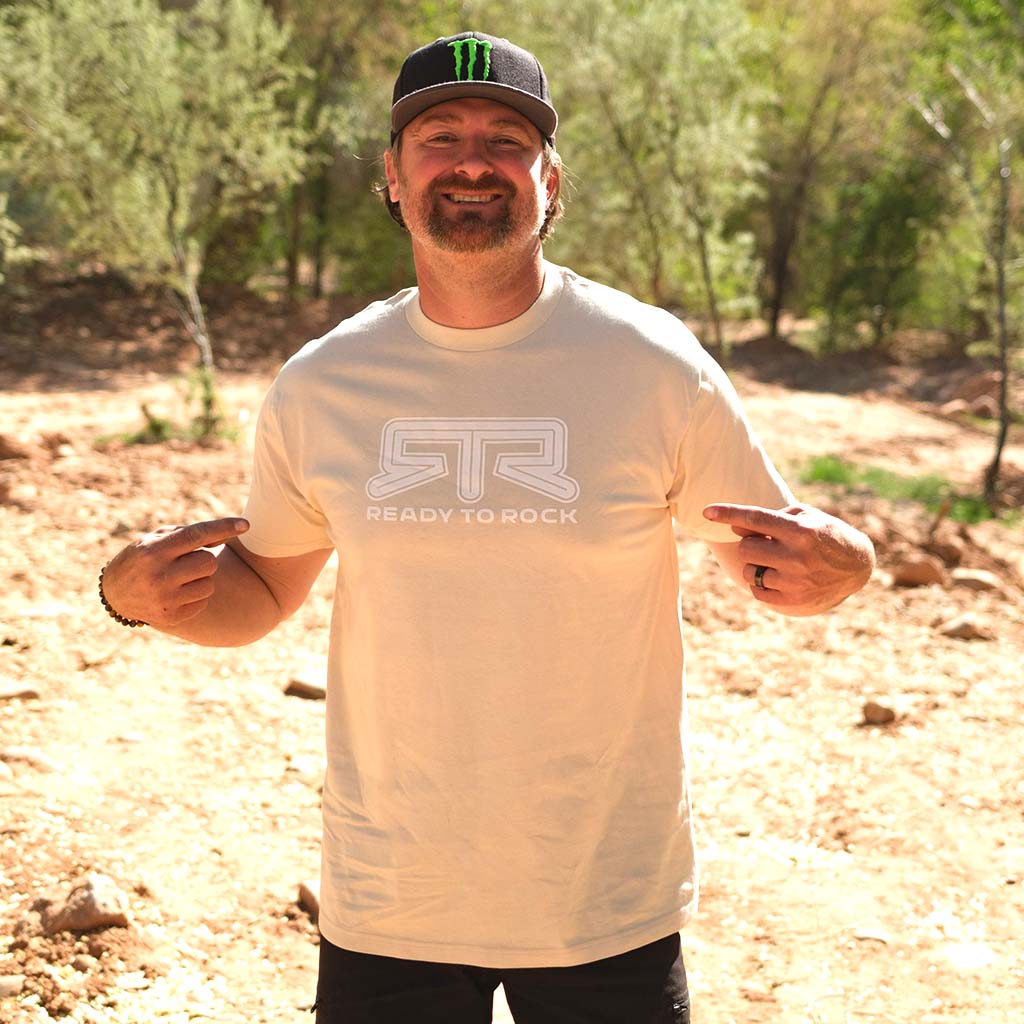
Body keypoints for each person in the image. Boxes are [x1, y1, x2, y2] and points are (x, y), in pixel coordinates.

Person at [99, 31, 875, 1024]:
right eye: (439, 136)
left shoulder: (652, 363)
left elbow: (780, 560)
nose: (472, 159)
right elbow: (258, 590)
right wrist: (134, 599)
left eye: (506, 139)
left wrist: (846, 565)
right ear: (393, 175)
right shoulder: (325, 381)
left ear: (549, 179)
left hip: (600, 892)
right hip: (393, 890)